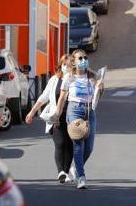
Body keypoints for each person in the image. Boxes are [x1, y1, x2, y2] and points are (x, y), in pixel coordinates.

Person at [56, 49, 103, 189]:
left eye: (85, 57)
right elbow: (62, 98)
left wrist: (100, 88)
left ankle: (76, 168)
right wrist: (57, 116)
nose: (83, 60)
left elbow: (98, 96)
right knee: (78, 144)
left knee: (89, 147)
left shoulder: (93, 76)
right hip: (74, 110)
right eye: (80, 58)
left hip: (90, 111)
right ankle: (81, 177)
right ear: (74, 62)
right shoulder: (69, 77)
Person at [25, 55, 73, 183]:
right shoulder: (54, 80)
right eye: (64, 65)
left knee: (69, 145)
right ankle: (61, 172)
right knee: (60, 143)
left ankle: (66, 171)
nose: (66, 67)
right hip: (55, 116)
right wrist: (31, 112)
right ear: (60, 65)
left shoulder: (74, 80)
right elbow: (43, 97)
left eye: (69, 65)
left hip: (71, 116)